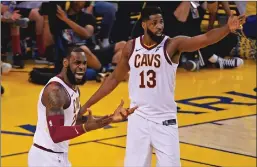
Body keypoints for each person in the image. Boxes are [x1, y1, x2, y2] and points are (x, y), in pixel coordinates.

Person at [81, 6, 245, 167]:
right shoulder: (131, 47)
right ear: (144, 24)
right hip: (138, 118)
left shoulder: (172, 45)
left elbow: (205, 38)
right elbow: (114, 79)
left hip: (164, 118)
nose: (159, 26)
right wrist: (88, 104)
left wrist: (227, 29)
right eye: (154, 23)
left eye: (161, 22)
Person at [27, 46, 137, 166]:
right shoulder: (55, 91)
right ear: (65, 63)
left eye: (84, 63)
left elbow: (74, 120)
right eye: (77, 63)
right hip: (45, 158)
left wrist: (109, 119)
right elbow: (56, 134)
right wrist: (86, 127)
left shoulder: (74, 88)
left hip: (59, 156)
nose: (82, 67)